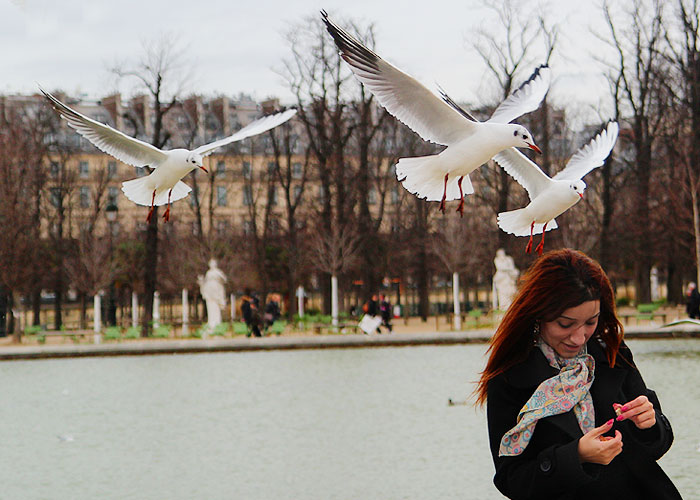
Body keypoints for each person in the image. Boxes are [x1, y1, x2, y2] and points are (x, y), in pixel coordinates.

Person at [475, 249, 680, 499]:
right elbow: (512, 480)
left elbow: (658, 445)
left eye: (591, 322)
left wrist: (649, 424)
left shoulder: (612, 352)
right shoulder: (509, 377)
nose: (579, 336)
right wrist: (576, 456)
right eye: (565, 324)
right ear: (539, 314)